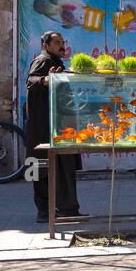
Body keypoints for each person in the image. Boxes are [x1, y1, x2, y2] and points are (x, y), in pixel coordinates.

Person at [25, 31, 83, 222]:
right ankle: (45, 212)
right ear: (45, 44)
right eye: (57, 42)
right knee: (41, 169)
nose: (61, 46)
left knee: (64, 168)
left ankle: (67, 209)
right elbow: (31, 81)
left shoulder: (56, 63)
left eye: (63, 42)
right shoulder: (42, 60)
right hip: (43, 128)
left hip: (58, 127)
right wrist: (45, 80)